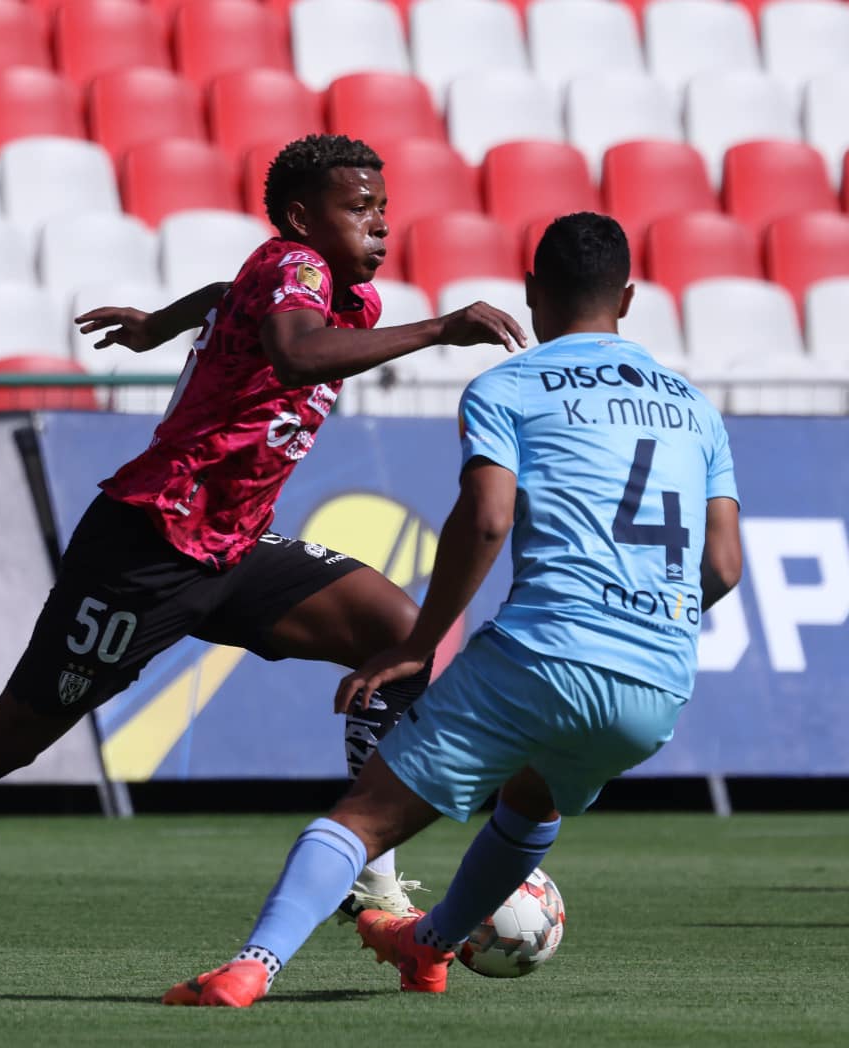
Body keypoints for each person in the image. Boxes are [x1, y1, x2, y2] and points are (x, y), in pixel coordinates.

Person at [0, 133, 528, 985]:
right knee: (4, 740)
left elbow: (237, 296)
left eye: (382, 206)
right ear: (305, 218)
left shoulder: (338, 295)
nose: (381, 223)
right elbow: (295, 350)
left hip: (231, 548)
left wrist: (167, 321)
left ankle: (367, 875)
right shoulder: (294, 265)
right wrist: (441, 330)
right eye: (359, 207)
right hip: (145, 547)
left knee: (402, 633)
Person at [163, 211, 744, 1008]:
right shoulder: (695, 408)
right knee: (535, 794)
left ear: (533, 292)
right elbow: (722, 565)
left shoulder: (509, 384)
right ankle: (425, 947)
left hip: (544, 652)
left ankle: (250, 967)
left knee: (363, 818)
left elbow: (488, 518)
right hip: (657, 681)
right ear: (631, 297)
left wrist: (421, 644)